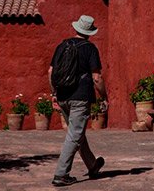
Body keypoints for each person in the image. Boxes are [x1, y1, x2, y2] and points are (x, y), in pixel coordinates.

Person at [49, 14, 109, 187]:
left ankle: (92, 165)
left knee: (77, 132)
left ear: (76, 28)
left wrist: (53, 94)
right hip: (80, 97)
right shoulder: (90, 49)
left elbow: (50, 72)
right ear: (89, 32)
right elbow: (96, 77)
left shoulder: (62, 46)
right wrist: (104, 97)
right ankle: (61, 174)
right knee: (75, 135)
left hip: (62, 96)